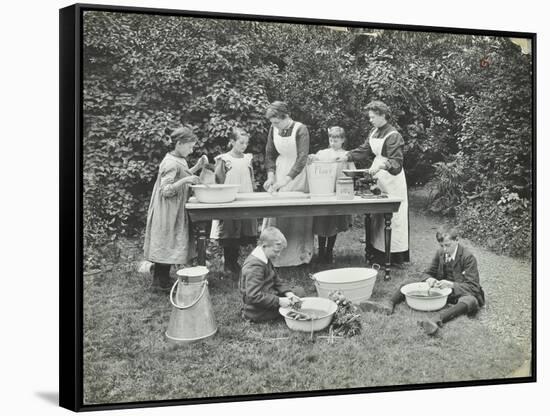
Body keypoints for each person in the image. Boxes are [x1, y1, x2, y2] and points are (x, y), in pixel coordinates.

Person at [359, 226, 485, 335]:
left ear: (457, 240)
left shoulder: (468, 258)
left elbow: (473, 287)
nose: (445, 249)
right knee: (410, 282)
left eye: (448, 245)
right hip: (442, 291)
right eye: (442, 246)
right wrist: (430, 279)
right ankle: (388, 305)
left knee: (470, 300)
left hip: (460, 293)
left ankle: (436, 320)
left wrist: (451, 285)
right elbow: (427, 273)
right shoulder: (440, 253)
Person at [337, 100, 409, 264]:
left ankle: (393, 256)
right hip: (377, 175)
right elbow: (364, 150)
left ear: (382, 115)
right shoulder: (374, 132)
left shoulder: (393, 135)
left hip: (391, 179)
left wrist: (382, 166)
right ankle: (377, 253)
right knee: (377, 216)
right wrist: (347, 156)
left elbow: (396, 162)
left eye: (372, 117)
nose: (370, 120)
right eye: (369, 117)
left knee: (393, 217)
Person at [143, 125, 207, 290]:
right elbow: (166, 191)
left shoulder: (179, 159)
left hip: (174, 209)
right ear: (179, 143)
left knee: (170, 242)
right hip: (167, 210)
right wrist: (187, 181)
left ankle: (162, 279)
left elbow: (183, 174)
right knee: (166, 241)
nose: (192, 150)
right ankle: (159, 283)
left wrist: (197, 167)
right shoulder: (170, 163)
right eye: (190, 146)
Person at [262, 101, 313, 267]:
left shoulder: (300, 129)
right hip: (280, 170)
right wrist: (271, 177)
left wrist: (286, 180)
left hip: (297, 174)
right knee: (277, 212)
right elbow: (269, 154)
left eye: (276, 122)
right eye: (272, 123)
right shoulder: (273, 129)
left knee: (297, 213)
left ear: (285, 117)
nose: (274, 125)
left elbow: (302, 158)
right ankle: (276, 256)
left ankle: (299, 255)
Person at [210, 127, 258, 275]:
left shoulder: (247, 159)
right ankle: (228, 262)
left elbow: (251, 177)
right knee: (230, 230)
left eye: (246, 143)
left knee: (241, 229)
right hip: (229, 198)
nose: (244, 146)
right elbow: (218, 180)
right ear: (232, 142)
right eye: (240, 142)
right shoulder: (224, 159)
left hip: (245, 196)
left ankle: (235, 262)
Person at [240, 226, 306, 322]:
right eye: (276, 251)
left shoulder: (265, 258)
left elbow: (276, 280)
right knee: (290, 305)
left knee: (299, 292)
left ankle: (286, 306)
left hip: (269, 295)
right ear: (264, 246)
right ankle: (253, 315)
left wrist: (289, 294)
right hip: (256, 308)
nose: (278, 255)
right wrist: (279, 301)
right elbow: (253, 296)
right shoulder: (254, 266)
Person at [311, 126, 355, 263]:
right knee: (322, 220)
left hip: (339, 192)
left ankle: (329, 251)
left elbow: (353, 172)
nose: (333, 142)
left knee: (334, 222)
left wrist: (345, 163)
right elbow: (314, 165)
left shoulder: (347, 155)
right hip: (324, 191)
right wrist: (312, 158)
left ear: (343, 140)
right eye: (331, 139)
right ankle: (321, 250)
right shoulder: (323, 153)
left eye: (336, 139)